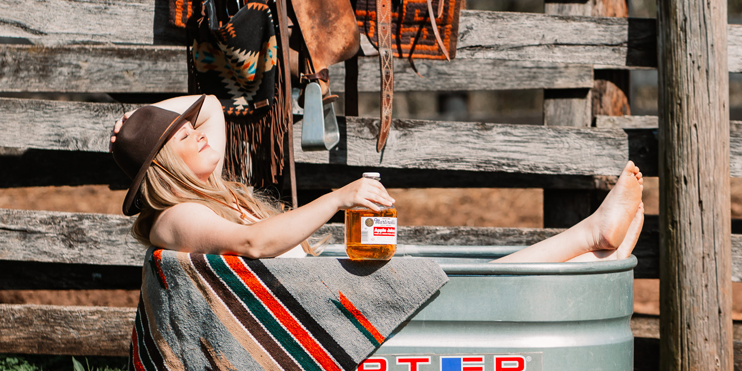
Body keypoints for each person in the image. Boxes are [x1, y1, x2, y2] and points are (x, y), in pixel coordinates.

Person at [109, 93, 644, 263]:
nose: (196, 135)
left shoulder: (210, 191)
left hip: (324, 298)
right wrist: (339, 198)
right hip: (319, 317)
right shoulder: (177, 218)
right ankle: (593, 239)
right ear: (164, 169)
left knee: (458, 275)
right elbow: (254, 242)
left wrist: (142, 119)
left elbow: (214, 112)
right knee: (476, 284)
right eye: (181, 139)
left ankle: (601, 254)